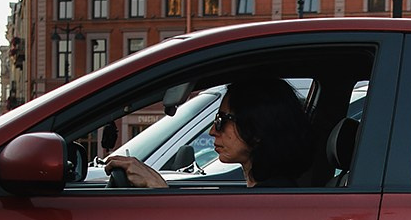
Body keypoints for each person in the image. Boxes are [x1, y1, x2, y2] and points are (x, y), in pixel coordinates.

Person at [106, 77, 316, 188]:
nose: (212, 131)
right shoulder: (268, 193)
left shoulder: (270, 201)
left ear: (258, 128)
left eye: (222, 120)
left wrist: (158, 189)